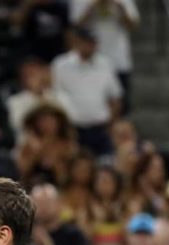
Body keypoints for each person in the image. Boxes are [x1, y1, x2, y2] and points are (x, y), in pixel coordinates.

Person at [52, 26, 122, 157]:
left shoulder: (105, 64)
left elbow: (115, 97)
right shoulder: (61, 65)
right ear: (77, 41)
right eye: (87, 41)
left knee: (106, 164)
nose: (91, 45)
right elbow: (56, 96)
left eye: (93, 42)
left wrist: (111, 124)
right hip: (74, 129)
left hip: (101, 129)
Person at [71, 0, 140, 113]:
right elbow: (75, 26)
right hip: (90, 60)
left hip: (118, 60)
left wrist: (120, 9)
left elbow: (133, 25)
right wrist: (93, 6)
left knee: (121, 105)